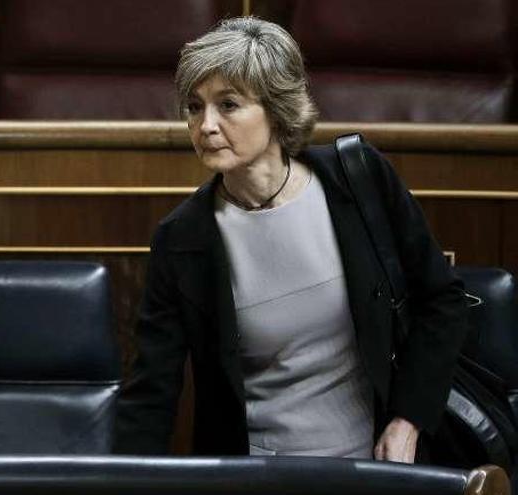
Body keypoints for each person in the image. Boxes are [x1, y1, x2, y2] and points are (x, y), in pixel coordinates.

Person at [114, 16, 469, 462]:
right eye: (193, 107)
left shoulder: (359, 179)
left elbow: (443, 301)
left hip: (379, 464)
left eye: (228, 105)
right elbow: (151, 392)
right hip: (255, 473)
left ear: (276, 108)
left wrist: (407, 421)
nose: (205, 125)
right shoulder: (182, 238)